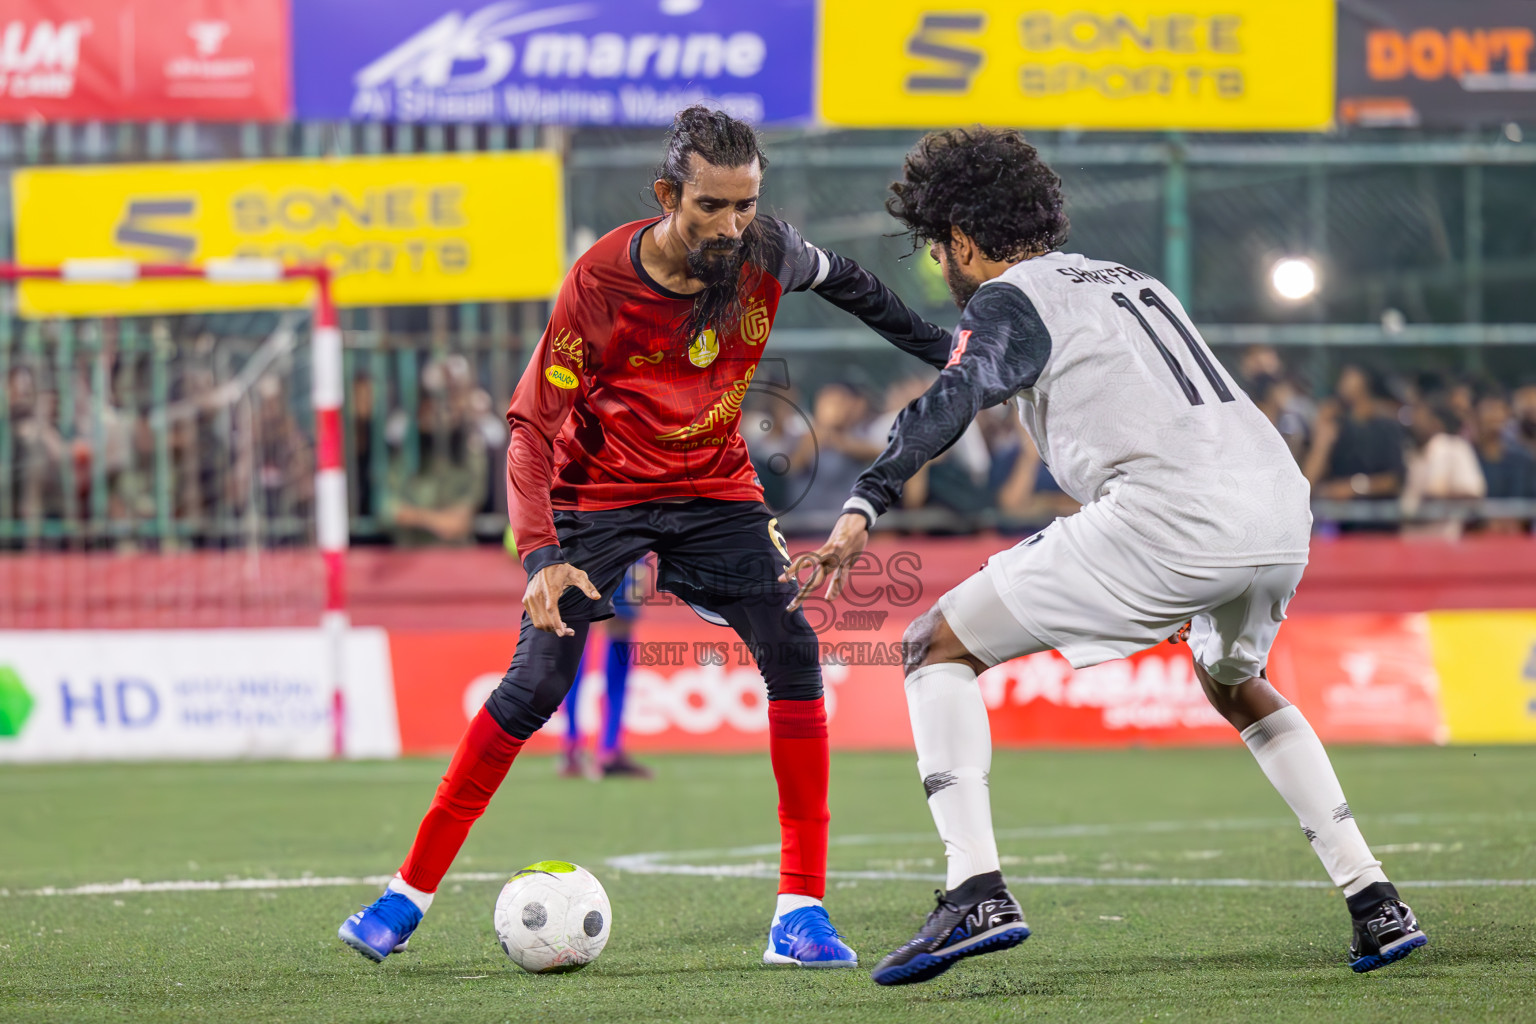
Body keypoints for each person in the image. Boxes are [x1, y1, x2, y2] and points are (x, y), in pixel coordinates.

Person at [786, 127, 1426, 986]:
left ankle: (974, 886)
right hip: (1278, 509)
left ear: (963, 243)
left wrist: (867, 498)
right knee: (1235, 682)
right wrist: (835, 278)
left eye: (940, 253)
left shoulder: (1011, 301)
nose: (944, 271)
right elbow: (966, 356)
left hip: (1171, 520)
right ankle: (1376, 899)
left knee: (933, 644)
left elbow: (958, 387)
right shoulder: (1124, 281)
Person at [338, 106, 953, 968]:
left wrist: (945, 351)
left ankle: (800, 913)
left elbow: (851, 280)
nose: (734, 226)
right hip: (600, 499)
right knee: (536, 683)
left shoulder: (767, 251)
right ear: (669, 195)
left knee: (795, 651)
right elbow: (530, 426)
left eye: (746, 206)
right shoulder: (597, 284)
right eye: (712, 207)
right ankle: (403, 897)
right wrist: (541, 558)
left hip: (713, 491)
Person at [557, 559, 651, 779]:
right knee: (618, 628)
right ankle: (609, 748)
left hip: (580, 547)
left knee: (577, 629)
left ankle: (572, 748)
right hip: (624, 544)